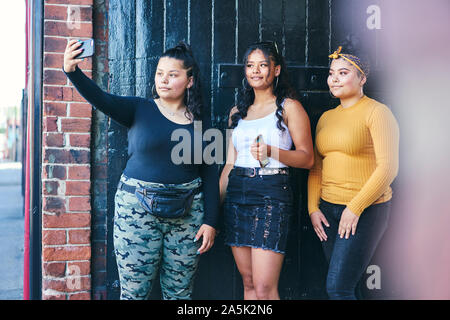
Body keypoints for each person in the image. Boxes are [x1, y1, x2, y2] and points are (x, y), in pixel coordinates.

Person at [63, 40, 219, 300]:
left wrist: (211, 221)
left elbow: (210, 173)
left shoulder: (203, 121)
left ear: (190, 81)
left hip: (188, 216)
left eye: (173, 74)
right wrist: (72, 72)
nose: (164, 80)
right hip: (136, 213)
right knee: (134, 293)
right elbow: (101, 98)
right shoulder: (139, 109)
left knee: (180, 294)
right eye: (160, 73)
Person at [219, 41, 314, 300]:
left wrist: (272, 151)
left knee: (264, 288)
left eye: (263, 65)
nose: (256, 71)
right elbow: (229, 164)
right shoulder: (236, 113)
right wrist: (214, 210)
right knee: (248, 283)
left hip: (271, 194)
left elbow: (307, 159)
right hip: (237, 193)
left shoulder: (289, 107)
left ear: (277, 70)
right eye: (250, 65)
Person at [307, 44, 400, 300]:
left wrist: (355, 207)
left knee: (338, 288)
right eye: (331, 73)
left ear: (362, 78)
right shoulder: (326, 117)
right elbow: (317, 167)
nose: (334, 78)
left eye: (344, 72)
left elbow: (389, 167)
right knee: (348, 285)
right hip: (328, 211)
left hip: (365, 210)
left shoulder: (377, 112)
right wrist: (313, 208)